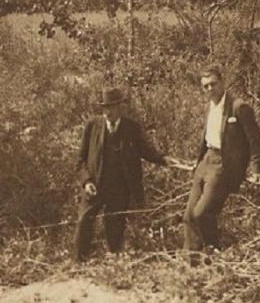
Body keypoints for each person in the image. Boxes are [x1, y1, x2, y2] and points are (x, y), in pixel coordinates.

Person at [74, 87, 182, 261]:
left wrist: (165, 160)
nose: (107, 112)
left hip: (119, 188)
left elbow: (147, 152)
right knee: (84, 222)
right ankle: (77, 263)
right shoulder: (92, 126)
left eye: (111, 107)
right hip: (94, 186)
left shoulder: (132, 127)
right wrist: (86, 182)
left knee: (115, 227)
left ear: (120, 108)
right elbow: (80, 160)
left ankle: (114, 264)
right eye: (104, 108)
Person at [181, 66, 260, 257]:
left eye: (213, 84)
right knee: (188, 217)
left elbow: (255, 139)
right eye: (205, 86)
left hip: (223, 165)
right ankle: (191, 263)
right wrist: (198, 162)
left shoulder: (239, 107)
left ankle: (213, 254)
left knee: (201, 214)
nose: (210, 89)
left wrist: (257, 169)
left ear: (222, 83)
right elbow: (207, 137)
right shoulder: (210, 106)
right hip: (205, 162)